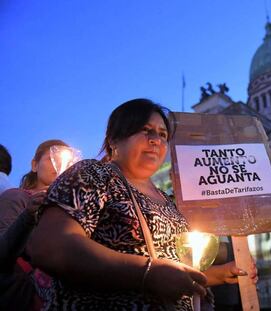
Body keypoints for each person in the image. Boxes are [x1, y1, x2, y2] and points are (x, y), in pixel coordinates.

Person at [28, 99, 256, 310]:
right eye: (146, 131)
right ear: (114, 140)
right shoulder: (93, 174)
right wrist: (146, 273)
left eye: (163, 134)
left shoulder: (167, 200)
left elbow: (170, 267)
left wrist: (220, 274)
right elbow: (50, 246)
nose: (156, 140)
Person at [0, 139, 69, 310]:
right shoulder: (17, 197)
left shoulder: (71, 208)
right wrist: (29, 216)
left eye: (66, 162)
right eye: (52, 158)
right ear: (34, 165)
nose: (58, 166)